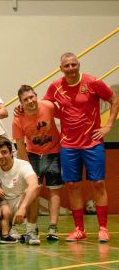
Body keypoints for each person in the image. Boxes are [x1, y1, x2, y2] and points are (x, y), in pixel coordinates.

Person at [43, 52, 119, 242]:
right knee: (72, 185)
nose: (70, 68)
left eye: (73, 65)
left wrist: (108, 125)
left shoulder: (93, 82)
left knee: (98, 184)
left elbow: (114, 100)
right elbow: (45, 106)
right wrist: (24, 109)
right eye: (66, 66)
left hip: (93, 143)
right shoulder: (55, 87)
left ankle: (103, 228)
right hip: (68, 144)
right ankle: (79, 229)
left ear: (79, 65)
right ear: (61, 68)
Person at [13, 84, 62, 242]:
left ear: (36, 96)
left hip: (54, 152)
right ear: (21, 102)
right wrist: (27, 167)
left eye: (31, 97)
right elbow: (20, 145)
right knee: (33, 192)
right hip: (33, 155)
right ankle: (31, 229)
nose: (30, 101)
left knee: (54, 190)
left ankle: (53, 228)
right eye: (25, 99)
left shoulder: (48, 106)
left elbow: (67, 116)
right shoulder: (18, 118)